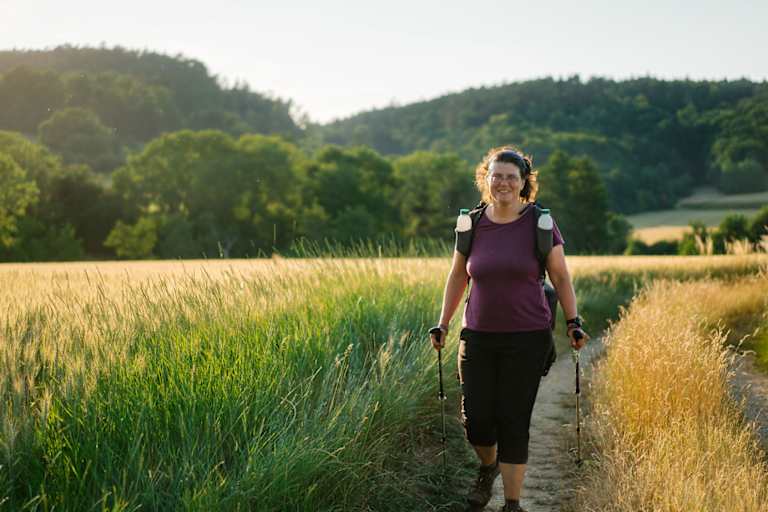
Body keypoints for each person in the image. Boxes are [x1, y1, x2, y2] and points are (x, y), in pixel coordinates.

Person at [429, 146, 589, 512]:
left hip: (527, 338)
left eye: (510, 177)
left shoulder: (539, 224)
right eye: (496, 175)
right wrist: (443, 322)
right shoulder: (471, 224)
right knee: (477, 422)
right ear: (485, 180)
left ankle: (512, 504)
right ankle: (489, 467)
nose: (503, 182)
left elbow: (560, 276)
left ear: (524, 184)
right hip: (478, 337)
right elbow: (457, 276)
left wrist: (573, 322)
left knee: (514, 420)